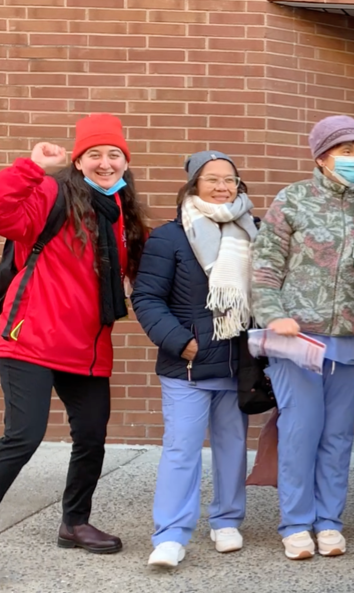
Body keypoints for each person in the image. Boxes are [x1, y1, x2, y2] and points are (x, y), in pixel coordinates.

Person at [0, 114, 148, 554]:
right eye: (94, 155)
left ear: (125, 161)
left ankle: (75, 523)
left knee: (91, 435)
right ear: (79, 161)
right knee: (23, 436)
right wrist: (32, 168)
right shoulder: (51, 193)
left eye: (114, 154)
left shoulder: (122, 211)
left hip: (87, 345)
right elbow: (5, 213)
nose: (106, 163)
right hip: (32, 338)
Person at [252, 115, 354, 560]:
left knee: (339, 436)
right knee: (301, 431)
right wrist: (273, 315)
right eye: (346, 152)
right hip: (299, 341)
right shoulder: (293, 200)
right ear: (322, 157)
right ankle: (296, 523)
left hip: (352, 337)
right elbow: (264, 266)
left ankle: (330, 521)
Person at [132, 151, 255, 567]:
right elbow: (147, 297)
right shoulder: (170, 237)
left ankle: (226, 521)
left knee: (233, 446)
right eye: (212, 179)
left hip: (237, 363)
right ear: (192, 185)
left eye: (230, 180)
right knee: (181, 449)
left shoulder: (252, 230)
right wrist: (179, 341)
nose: (223, 187)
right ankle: (170, 534)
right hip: (187, 363)